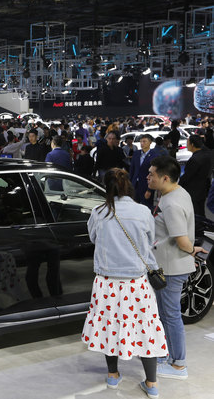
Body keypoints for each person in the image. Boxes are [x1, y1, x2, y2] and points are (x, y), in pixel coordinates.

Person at [82, 168, 166, 398]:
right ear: (128, 185)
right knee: (145, 328)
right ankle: (151, 383)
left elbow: (93, 238)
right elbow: (151, 241)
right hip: (136, 283)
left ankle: (112, 375)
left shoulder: (98, 212)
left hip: (107, 284)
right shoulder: (142, 211)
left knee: (110, 326)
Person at [147, 156, 206, 380]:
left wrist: (192, 249)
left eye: (152, 174)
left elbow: (181, 239)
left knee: (171, 315)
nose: (148, 177)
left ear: (165, 177)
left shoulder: (171, 203)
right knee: (165, 314)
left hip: (171, 267)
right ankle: (167, 355)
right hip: (167, 264)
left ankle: (179, 364)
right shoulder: (176, 193)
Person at [179, 135, 212, 216]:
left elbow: (187, 177)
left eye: (187, 143)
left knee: (195, 213)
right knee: (200, 212)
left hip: (193, 190)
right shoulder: (208, 154)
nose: (186, 145)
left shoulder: (195, 159)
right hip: (204, 187)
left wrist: (178, 186)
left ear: (192, 144)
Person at [129, 134, 161, 209]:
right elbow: (132, 170)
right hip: (135, 185)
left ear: (150, 142)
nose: (142, 144)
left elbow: (154, 174)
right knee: (133, 206)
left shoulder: (154, 155)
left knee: (146, 207)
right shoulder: (136, 153)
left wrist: (149, 190)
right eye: (141, 142)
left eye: (144, 141)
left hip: (146, 185)